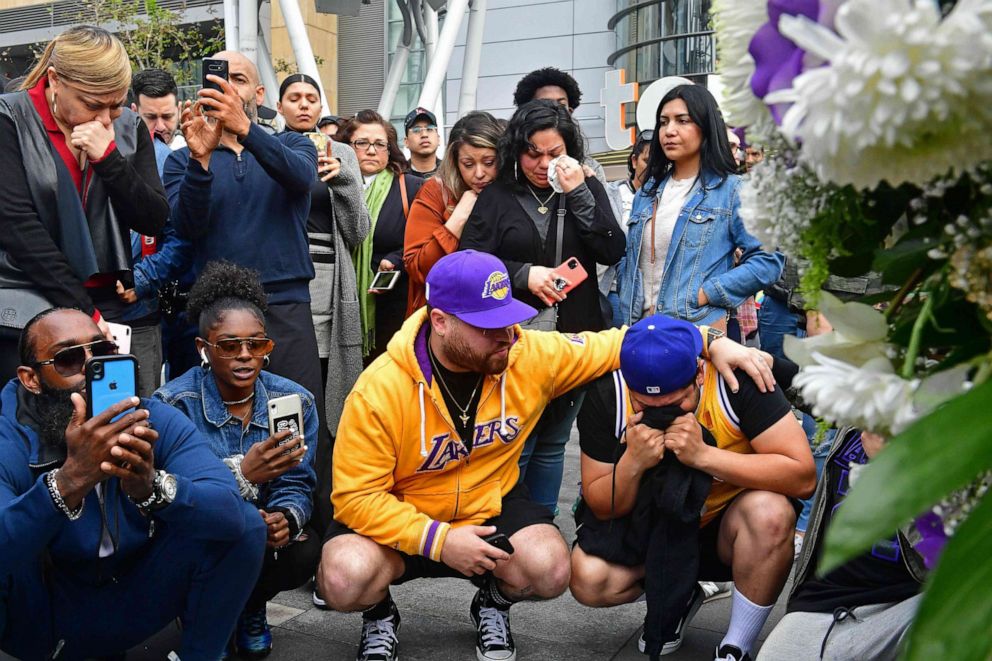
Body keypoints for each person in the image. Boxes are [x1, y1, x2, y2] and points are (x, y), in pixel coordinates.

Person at [317, 250, 776, 661]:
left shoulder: (526, 352)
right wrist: (438, 541)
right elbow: (355, 499)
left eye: (509, 318)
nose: (507, 336)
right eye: (488, 326)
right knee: (342, 577)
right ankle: (378, 615)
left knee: (551, 569)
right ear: (441, 322)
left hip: (486, 502)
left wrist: (712, 340)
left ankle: (492, 602)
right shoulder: (379, 389)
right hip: (403, 516)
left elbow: (623, 341)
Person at [0, 307, 266, 659]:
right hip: (39, 616)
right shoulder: (10, 434)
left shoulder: (153, 417)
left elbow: (231, 515)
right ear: (31, 379)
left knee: (247, 524)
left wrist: (153, 489)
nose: (90, 369)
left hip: (126, 596)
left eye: (103, 352)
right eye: (68, 359)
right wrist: (69, 481)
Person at [569, 315, 815, 661]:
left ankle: (736, 645)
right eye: (645, 405)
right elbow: (602, 505)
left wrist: (705, 456)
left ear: (700, 374)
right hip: (653, 529)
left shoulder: (734, 378)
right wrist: (632, 462)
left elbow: (802, 476)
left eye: (674, 403)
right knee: (588, 578)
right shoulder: (609, 391)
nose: (662, 414)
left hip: (725, 530)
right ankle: (679, 593)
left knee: (770, 513)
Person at [162, 52, 332, 533]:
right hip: (217, 313)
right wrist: (199, 161)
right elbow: (187, 225)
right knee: (211, 420)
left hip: (284, 303)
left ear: (259, 95)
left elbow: (302, 180)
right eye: (220, 79)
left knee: (294, 418)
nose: (229, 87)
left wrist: (248, 131)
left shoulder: (296, 145)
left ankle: (304, 530)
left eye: (239, 79)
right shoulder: (182, 157)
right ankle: (222, 523)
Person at [459, 99, 625, 513]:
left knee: (553, 441)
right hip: (514, 336)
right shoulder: (497, 196)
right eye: (533, 152)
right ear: (517, 150)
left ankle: (544, 524)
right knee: (517, 439)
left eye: (554, 153)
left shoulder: (585, 188)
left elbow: (612, 248)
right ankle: (511, 526)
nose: (543, 163)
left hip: (574, 332)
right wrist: (522, 274)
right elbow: (469, 261)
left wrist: (580, 192)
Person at [154, 261, 319, 656]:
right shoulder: (173, 404)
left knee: (303, 549)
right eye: (229, 346)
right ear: (203, 349)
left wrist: (285, 515)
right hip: (199, 535)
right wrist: (242, 473)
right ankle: (202, 611)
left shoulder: (294, 401)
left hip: (259, 543)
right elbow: (171, 496)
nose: (245, 356)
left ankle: (250, 606)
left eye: (257, 344)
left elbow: (298, 481)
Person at [0, 25, 169, 383]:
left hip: (110, 306)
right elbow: (18, 227)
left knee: (114, 422)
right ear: (54, 80)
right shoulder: (10, 118)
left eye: (116, 105)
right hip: (26, 300)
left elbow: (153, 218)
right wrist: (84, 311)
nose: (106, 118)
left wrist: (108, 159)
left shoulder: (129, 127)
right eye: (93, 104)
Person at [276, 73, 370, 543]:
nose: (305, 105)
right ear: (280, 106)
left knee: (334, 413)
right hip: (285, 290)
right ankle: (293, 519)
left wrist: (345, 182)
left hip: (334, 291)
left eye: (313, 98)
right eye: (294, 97)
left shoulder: (343, 153)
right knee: (288, 405)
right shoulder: (268, 148)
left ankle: (332, 526)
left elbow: (359, 232)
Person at [615, 85, 783, 334]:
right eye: (663, 122)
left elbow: (768, 261)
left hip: (697, 331)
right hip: (640, 331)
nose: (669, 131)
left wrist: (706, 293)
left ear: (706, 127)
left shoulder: (734, 190)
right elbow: (631, 259)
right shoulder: (648, 191)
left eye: (682, 121)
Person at [757, 430, 924, 661]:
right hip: (827, 601)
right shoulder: (857, 419)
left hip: (906, 607)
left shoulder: (961, 431)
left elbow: (954, 554)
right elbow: (813, 396)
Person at [115, 67, 189, 397]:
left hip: (146, 309)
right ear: (132, 112)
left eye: (167, 117)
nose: (160, 128)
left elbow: (182, 236)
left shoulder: (173, 161)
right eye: (150, 118)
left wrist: (142, 278)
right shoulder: (99, 148)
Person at [337, 109, 424, 362]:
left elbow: (422, 241)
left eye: (379, 144)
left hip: (391, 304)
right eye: (362, 143)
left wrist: (396, 259)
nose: (371, 150)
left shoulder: (411, 188)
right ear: (346, 148)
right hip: (340, 299)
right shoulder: (330, 186)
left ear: (390, 150)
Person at [403, 110, 503, 314]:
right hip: (447, 313)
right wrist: (457, 220)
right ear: (455, 163)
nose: (479, 173)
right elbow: (416, 267)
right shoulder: (436, 191)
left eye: (489, 162)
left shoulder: (513, 191)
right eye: (468, 164)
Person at [512, 66, 606, 183]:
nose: (554, 110)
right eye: (544, 104)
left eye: (561, 105)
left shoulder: (591, 168)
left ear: (570, 112)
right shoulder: (508, 166)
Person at [602, 129, 653, 326]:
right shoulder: (612, 194)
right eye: (647, 161)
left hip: (654, 297)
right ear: (634, 161)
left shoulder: (670, 199)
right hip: (616, 292)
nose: (653, 169)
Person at [403, 106, 441, 178]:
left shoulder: (452, 173)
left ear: (438, 139)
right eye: (416, 130)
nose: (424, 135)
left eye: (429, 129)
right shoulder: (398, 177)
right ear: (406, 142)